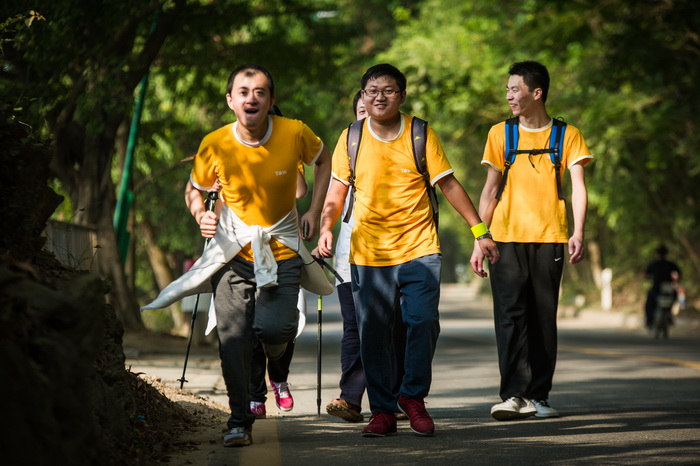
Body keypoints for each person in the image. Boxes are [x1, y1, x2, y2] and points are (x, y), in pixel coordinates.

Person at [143, 64, 332, 447]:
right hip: (230, 254)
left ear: (271, 100)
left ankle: (276, 367)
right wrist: (201, 215)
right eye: (243, 92)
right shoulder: (215, 143)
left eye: (260, 92)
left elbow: (324, 159)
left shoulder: (294, 132)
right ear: (231, 100)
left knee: (275, 330)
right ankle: (238, 420)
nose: (252, 98)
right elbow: (194, 188)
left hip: (282, 252)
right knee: (233, 338)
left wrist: (314, 210)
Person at [318, 64, 499, 438]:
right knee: (373, 333)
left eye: (388, 90)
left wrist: (480, 230)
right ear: (363, 96)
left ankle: (412, 397)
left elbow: (448, 184)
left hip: (420, 248)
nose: (379, 97)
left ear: (401, 95)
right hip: (369, 253)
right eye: (372, 91)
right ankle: (382, 411)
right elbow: (336, 190)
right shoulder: (351, 137)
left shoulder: (420, 133)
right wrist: (325, 228)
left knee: (423, 321)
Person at [469, 61, 593, 421]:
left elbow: (578, 187)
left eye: (515, 89)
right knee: (509, 317)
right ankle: (513, 395)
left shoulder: (567, 135)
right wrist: (479, 238)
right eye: (507, 90)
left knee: (542, 317)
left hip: (550, 237)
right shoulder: (500, 134)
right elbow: (490, 191)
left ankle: (539, 396)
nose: (509, 96)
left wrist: (578, 231)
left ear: (536, 93)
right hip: (504, 239)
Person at [324, 91, 407, 423]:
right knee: (355, 328)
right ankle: (351, 399)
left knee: (395, 328)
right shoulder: (347, 150)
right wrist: (324, 230)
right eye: (362, 110)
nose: (369, 114)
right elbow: (332, 199)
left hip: (397, 254)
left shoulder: (401, 147)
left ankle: (394, 398)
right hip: (351, 257)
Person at [644, 244, 681, 333]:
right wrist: (675, 281)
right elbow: (679, 274)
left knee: (649, 303)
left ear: (657, 254)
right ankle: (668, 315)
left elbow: (646, 275)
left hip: (656, 288)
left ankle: (650, 320)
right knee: (673, 298)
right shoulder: (671, 264)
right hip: (668, 289)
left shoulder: (653, 264)